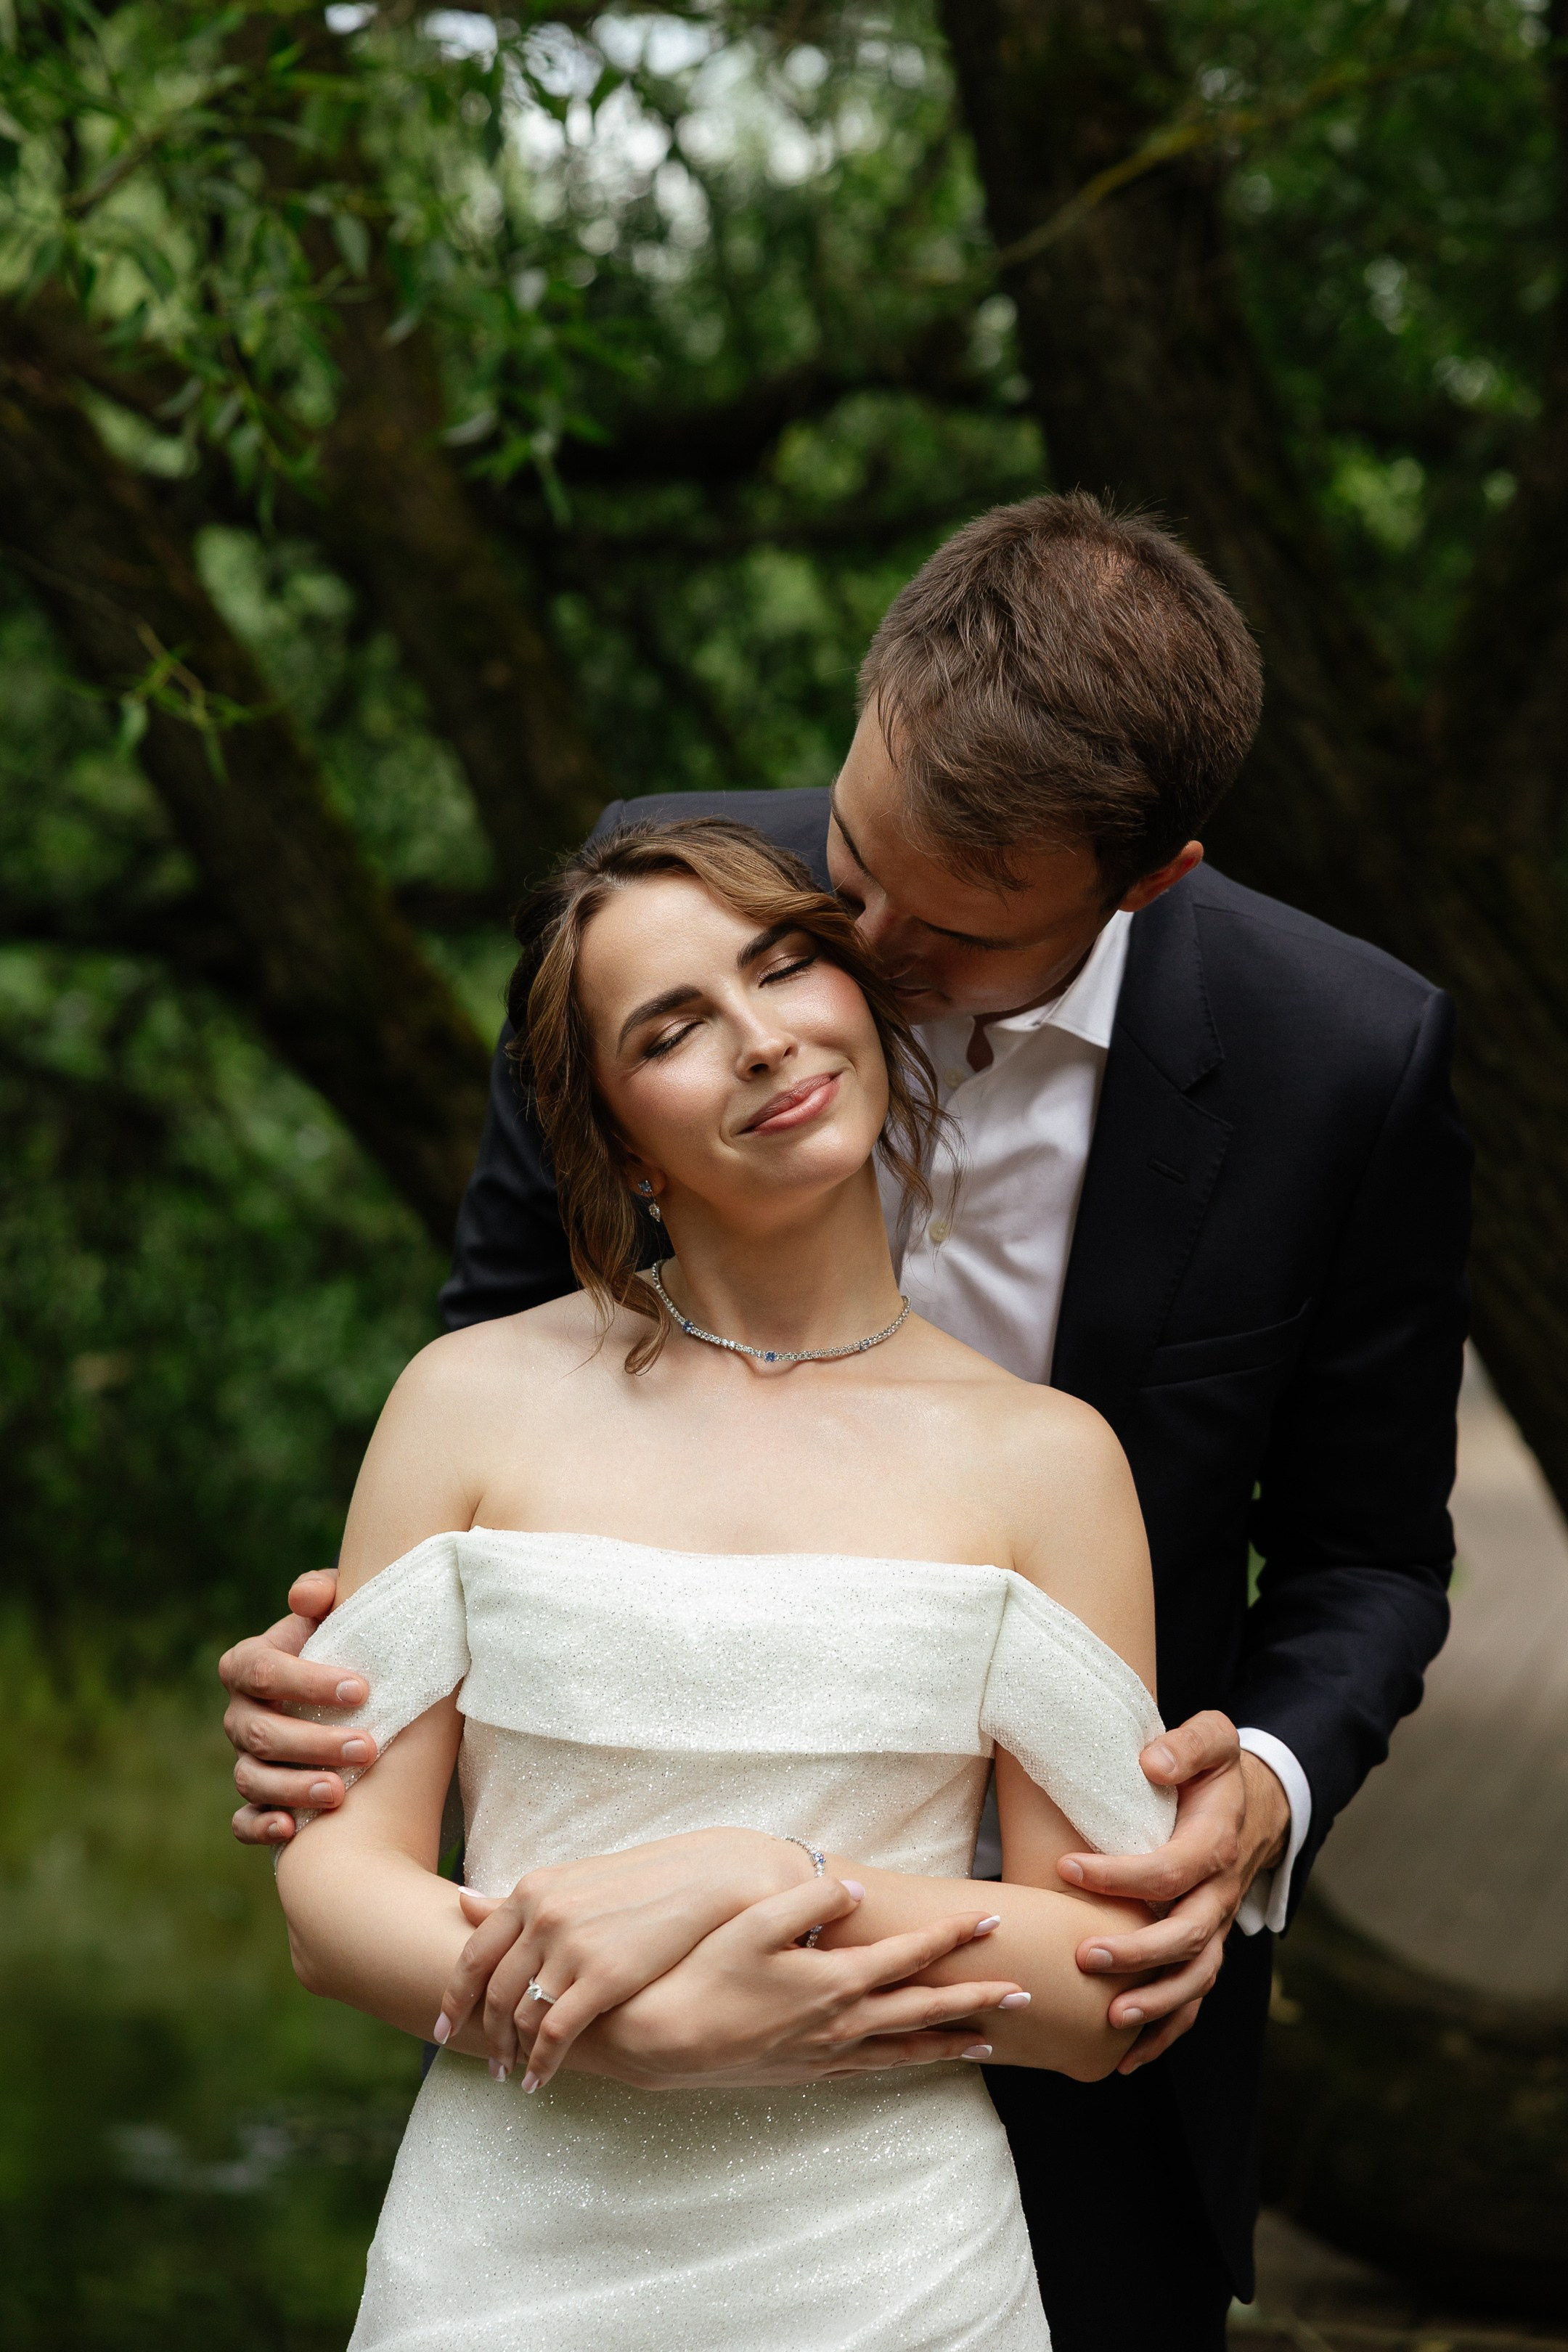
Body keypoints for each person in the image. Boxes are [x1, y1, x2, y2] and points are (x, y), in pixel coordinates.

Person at [224, 494, 1471, 2350]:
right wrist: (349, 1655)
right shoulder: (682, 905)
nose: (849, 947)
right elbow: (505, 1370)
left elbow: (1368, 1549)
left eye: (940, 923)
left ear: (1141, 879)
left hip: (1036, 2073)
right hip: (555, 2086)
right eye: (849, 861)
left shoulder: (1339, 1061)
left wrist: (1254, 1800)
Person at [275, 816, 1181, 2350]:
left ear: (863, 999)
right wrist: (628, 2036)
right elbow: (334, 1897)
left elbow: (1103, 1994)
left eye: (785, 969)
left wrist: (772, 1880)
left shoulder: (1053, 1462)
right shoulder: (466, 1402)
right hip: (507, 2256)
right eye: (674, 1028)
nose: (761, 1042)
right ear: (622, 1137)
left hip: (894, 2276)